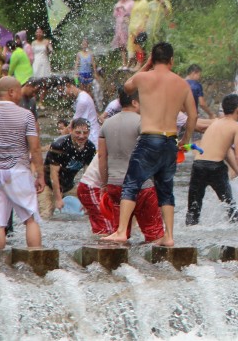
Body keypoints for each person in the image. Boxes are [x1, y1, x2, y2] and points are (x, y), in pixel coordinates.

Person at [102, 42, 197, 246]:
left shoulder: (143, 77)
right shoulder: (182, 84)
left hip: (149, 139)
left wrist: (146, 65)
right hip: (170, 141)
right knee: (165, 188)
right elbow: (193, 115)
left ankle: (120, 231)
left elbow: (127, 87)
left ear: (153, 59)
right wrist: (185, 140)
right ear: (171, 60)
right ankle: (169, 236)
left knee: (131, 184)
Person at [0, 76, 44, 249]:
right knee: (30, 219)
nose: (20, 95)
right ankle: (35, 263)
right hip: (18, 171)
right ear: (10, 92)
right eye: (18, 91)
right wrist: (40, 175)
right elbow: (35, 148)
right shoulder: (26, 115)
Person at [97, 88, 165, 242]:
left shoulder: (106, 124)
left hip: (115, 185)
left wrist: (104, 184)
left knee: (120, 233)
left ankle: (119, 264)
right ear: (135, 102)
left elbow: (102, 157)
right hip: (142, 186)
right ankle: (155, 265)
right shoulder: (143, 122)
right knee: (154, 234)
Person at [186, 94, 238, 225]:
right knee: (230, 205)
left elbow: (227, 153)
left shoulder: (215, 122)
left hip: (198, 165)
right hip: (215, 168)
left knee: (193, 209)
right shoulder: (237, 127)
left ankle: (190, 234)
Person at [41, 118, 96, 220]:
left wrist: (86, 199)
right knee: (46, 215)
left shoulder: (90, 148)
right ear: (70, 130)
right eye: (78, 132)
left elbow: (88, 175)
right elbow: (54, 174)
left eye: (85, 133)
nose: (81, 136)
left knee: (89, 210)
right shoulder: (59, 145)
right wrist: (57, 198)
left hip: (69, 187)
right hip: (48, 186)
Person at [63, 77, 101, 146]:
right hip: (91, 135)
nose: (65, 94)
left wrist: (63, 133)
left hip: (92, 138)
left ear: (68, 86)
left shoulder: (82, 100)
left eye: (64, 90)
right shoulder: (83, 96)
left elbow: (73, 123)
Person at [127, 0, 149, 66]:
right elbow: (132, 15)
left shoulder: (144, 2)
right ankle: (135, 63)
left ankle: (139, 64)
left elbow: (146, 16)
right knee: (133, 47)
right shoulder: (135, 3)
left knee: (138, 46)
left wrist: (142, 27)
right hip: (132, 29)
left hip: (140, 29)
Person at [112, 0, 134, 66]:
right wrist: (117, 9)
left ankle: (130, 62)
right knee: (121, 45)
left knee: (129, 43)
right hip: (119, 25)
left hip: (127, 24)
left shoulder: (131, 2)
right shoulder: (118, 3)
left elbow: (133, 13)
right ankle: (124, 63)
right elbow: (114, 15)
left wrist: (125, 11)